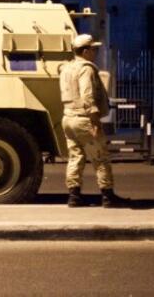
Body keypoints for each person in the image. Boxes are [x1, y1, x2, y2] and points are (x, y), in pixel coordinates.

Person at [60, 34, 129, 208]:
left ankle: (74, 196)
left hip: (68, 117)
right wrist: (96, 122)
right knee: (100, 158)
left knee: (75, 156)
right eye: (93, 49)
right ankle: (108, 196)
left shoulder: (66, 68)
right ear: (85, 51)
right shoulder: (86, 69)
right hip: (84, 119)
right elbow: (87, 96)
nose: (95, 52)